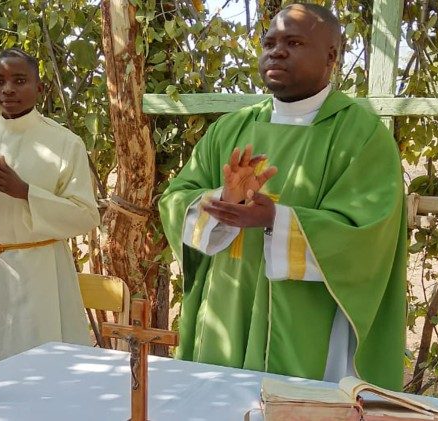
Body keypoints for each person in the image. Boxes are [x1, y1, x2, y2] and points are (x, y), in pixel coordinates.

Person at [159, 3, 407, 390]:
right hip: (228, 300)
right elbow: (175, 199)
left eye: (294, 42)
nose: (276, 51)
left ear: (331, 57)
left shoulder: (360, 134)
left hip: (306, 316)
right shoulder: (232, 128)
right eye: (269, 42)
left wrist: (277, 220)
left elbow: (366, 233)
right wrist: (222, 200)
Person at [0, 48, 100, 363]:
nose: (8, 89)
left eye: (19, 81)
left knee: (44, 359)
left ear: (39, 88)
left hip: (43, 269)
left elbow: (86, 216)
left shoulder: (64, 143)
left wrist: (26, 192)